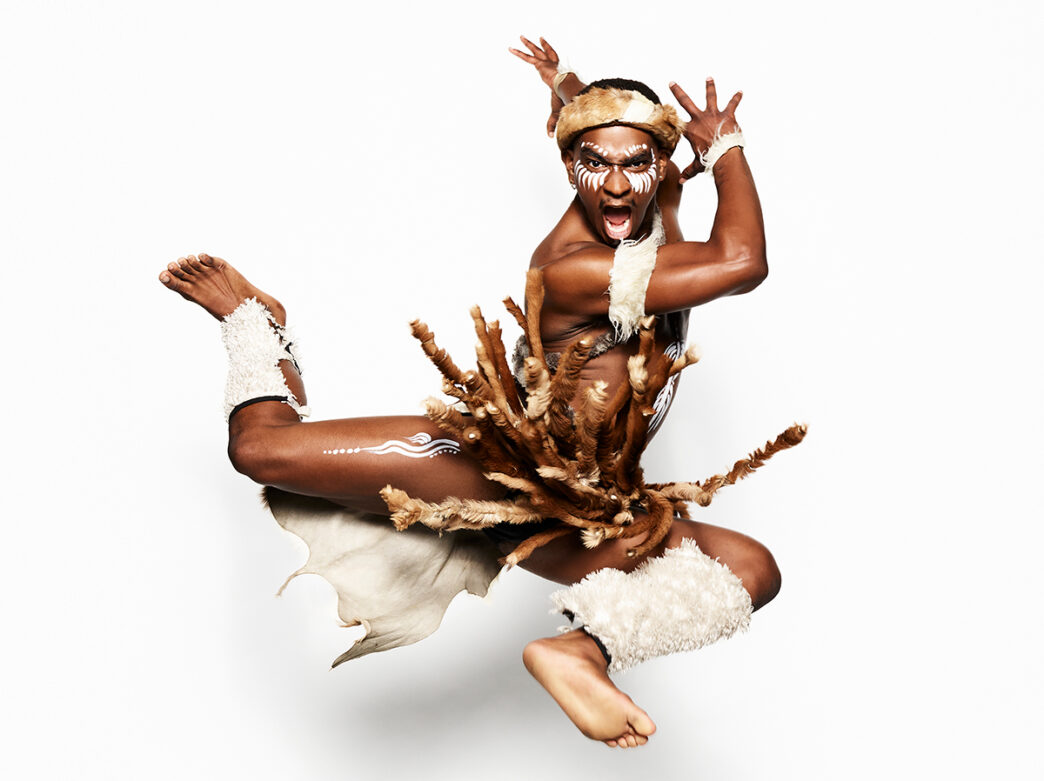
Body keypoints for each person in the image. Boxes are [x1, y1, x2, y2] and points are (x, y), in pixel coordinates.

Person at [158, 37, 791, 750]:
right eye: (596, 164)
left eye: (635, 163)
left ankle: (583, 650)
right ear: (568, 167)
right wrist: (728, 147)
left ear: (662, 165)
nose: (616, 185)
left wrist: (564, 86)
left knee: (750, 568)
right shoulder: (578, 269)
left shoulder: (654, 198)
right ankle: (256, 323)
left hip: (587, 502)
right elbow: (741, 261)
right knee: (258, 448)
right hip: (506, 465)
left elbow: (612, 143)